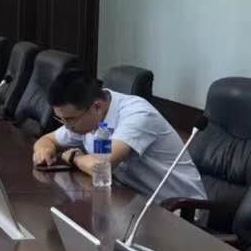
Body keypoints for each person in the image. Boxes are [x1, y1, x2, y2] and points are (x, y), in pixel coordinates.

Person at [32, 68, 205, 203]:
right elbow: (47, 140)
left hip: (179, 210)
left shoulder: (137, 114)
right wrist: (43, 151)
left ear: (97, 107)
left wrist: (75, 157)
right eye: (61, 119)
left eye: (70, 120)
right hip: (134, 201)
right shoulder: (90, 119)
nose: (67, 127)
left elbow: (102, 168)